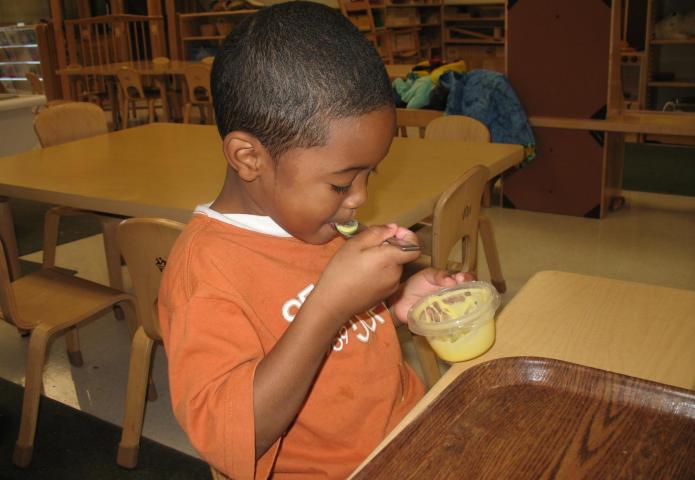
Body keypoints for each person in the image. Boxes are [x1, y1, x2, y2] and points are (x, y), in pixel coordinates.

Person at [158, 2, 469, 478]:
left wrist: (399, 301)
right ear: (248, 157)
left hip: (406, 434)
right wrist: (328, 307)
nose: (360, 198)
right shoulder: (207, 271)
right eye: (343, 183)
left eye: (370, 174)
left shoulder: (315, 220)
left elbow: (347, 338)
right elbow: (230, 439)